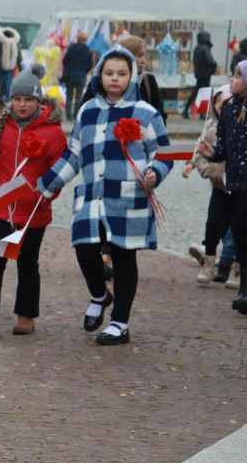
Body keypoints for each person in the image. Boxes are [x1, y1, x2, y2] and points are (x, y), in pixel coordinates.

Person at [38, 45, 172, 345]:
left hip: (129, 198)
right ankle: (99, 294)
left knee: (124, 258)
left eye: (122, 74)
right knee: (84, 247)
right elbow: (74, 155)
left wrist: (155, 172)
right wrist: (46, 184)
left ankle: (120, 324)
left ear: (132, 76)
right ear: (99, 76)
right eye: (109, 73)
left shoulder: (146, 113)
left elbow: (164, 152)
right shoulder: (87, 111)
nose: (115, 79)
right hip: (90, 197)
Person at [0, 64, 67, 335]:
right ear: (10, 100)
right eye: (18, 99)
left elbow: (60, 171)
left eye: (28, 99)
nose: (22, 105)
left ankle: (26, 315)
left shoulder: (53, 131)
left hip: (34, 210)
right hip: (2, 207)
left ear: (39, 101)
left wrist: (46, 194)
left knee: (27, 263)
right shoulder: (0, 126)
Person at [196, 60, 247, 313]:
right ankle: (243, 289)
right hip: (233, 181)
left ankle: (241, 279)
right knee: (229, 226)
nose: (232, 80)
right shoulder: (229, 110)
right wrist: (211, 152)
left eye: (237, 76)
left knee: (238, 223)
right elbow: (224, 150)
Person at [185, 85, 238, 286]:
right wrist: (206, 170)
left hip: (238, 187)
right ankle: (209, 264)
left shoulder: (239, 126)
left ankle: (235, 268)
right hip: (218, 187)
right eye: (218, 104)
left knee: (236, 228)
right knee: (213, 223)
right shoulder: (211, 128)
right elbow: (199, 152)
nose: (221, 108)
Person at [183, 31, 217, 120]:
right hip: (205, 74)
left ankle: (186, 109)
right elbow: (210, 61)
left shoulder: (197, 48)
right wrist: (214, 65)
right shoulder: (205, 49)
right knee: (204, 93)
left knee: (197, 92)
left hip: (199, 73)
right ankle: (202, 114)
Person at [61, 32, 93, 121]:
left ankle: (68, 116)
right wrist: (84, 71)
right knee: (79, 97)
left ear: (77, 39)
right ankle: (75, 116)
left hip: (70, 75)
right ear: (85, 40)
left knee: (69, 96)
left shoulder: (71, 49)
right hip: (81, 76)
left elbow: (64, 61)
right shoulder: (88, 50)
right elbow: (90, 66)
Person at [0, 26, 22, 106]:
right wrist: (20, 68)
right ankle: (6, 101)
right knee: (7, 85)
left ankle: (1, 100)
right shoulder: (15, 43)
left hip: (5, 67)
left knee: (0, 84)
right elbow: (18, 56)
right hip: (7, 67)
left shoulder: (0, 42)